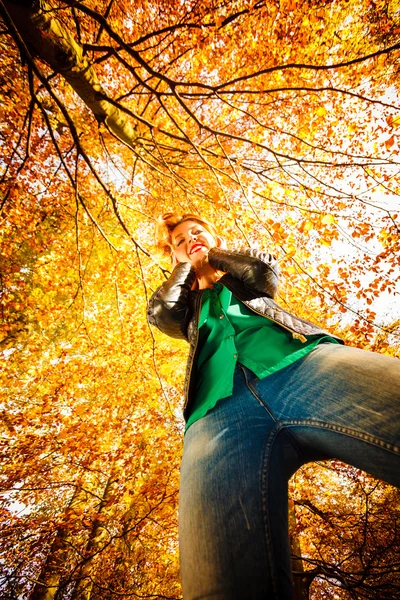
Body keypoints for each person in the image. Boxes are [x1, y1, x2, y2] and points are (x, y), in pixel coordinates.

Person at [147, 212, 400, 600]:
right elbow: (163, 314)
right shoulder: (186, 305)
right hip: (216, 416)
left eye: (198, 233)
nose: (190, 239)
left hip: (303, 367)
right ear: (172, 256)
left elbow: (263, 271)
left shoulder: (240, 276)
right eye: (180, 240)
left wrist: (212, 257)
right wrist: (186, 268)